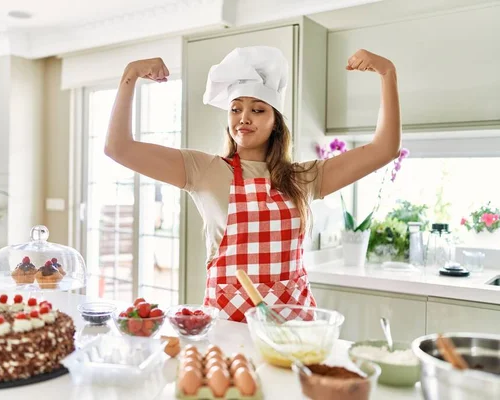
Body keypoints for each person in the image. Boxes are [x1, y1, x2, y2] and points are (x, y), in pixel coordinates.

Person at [105, 46, 401, 322]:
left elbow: (384, 149)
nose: (244, 118)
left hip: (294, 326)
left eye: (257, 110)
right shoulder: (204, 170)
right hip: (230, 326)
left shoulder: (302, 178)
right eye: (236, 109)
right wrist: (130, 75)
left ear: (276, 122)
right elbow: (118, 147)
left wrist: (387, 74)